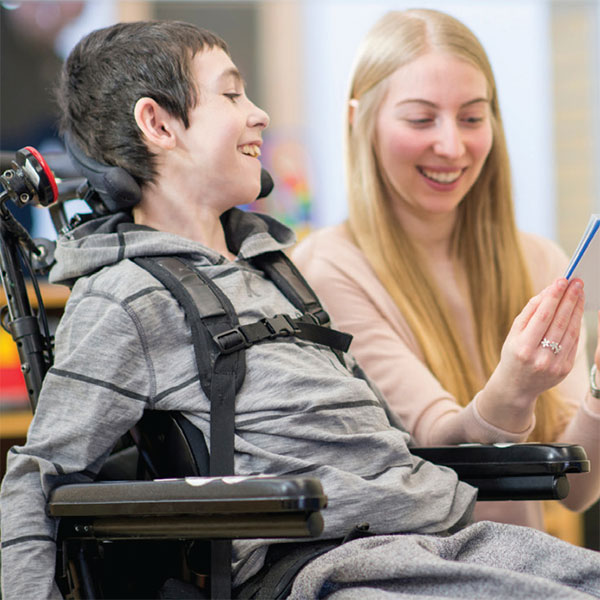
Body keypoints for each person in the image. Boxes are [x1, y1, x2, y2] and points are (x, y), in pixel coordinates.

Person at [1, 19, 599, 600]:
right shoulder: (125, 297)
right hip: (339, 562)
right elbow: (41, 475)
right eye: (232, 93)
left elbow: (390, 446)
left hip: (437, 537)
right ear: (158, 124)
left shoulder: (274, 272)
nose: (258, 113)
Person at [292, 8, 600, 533]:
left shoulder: (538, 260)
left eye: (473, 117)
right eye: (420, 118)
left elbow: (576, 491)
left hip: (523, 569)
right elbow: (439, 447)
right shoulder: (325, 271)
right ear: (358, 117)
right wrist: (514, 389)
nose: (452, 147)